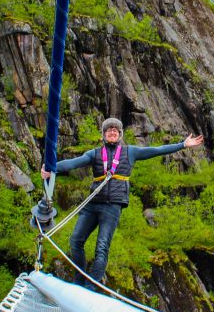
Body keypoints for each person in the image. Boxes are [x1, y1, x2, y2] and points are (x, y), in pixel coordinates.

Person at [41, 117, 204, 288]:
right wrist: (51, 168)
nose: (112, 131)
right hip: (93, 203)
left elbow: (157, 150)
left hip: (113, 206)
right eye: (108, 130)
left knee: (102, 247)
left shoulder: (130, 152)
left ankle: (91, 287)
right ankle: (78, 280)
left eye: (115, 130)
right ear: (103, 135)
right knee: (76, 240)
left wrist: (183, 145)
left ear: (120, 135)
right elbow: (73, 163)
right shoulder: (95, 153)